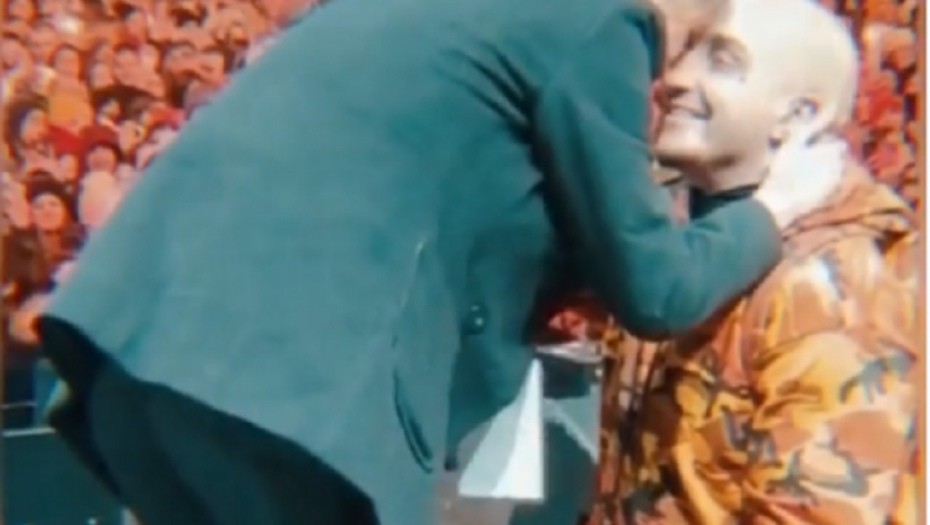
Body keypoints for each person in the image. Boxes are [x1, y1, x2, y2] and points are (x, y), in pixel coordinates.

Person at [35, 0, 845, 524]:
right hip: (287, 403)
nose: (671, 78)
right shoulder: (600, 20)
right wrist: (770, 212)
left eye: (713, 56)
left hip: (138, 362)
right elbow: (658, 289)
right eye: (694, 44)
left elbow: (437, 176)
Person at [599, 1, 918, 524]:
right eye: (684, 54)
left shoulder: (829, 286)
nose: (676, 79)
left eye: (723, 62)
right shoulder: (672, 230)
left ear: (799, 116)